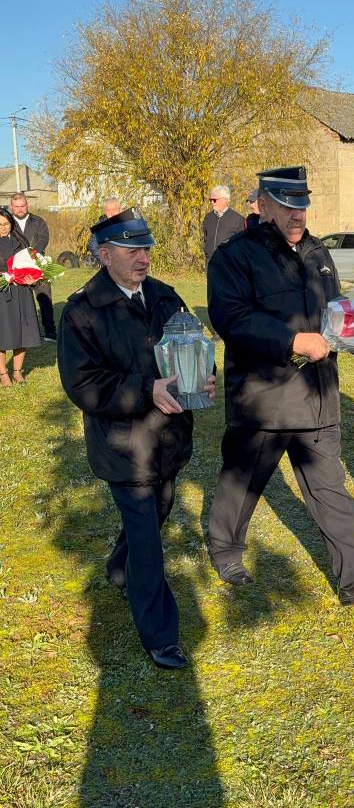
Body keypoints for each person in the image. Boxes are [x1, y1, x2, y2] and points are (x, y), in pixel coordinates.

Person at [207, 166, 354, 606]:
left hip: (317, 396)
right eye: (287, 207)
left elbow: (341, 318)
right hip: (264, 400)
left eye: (303, 206)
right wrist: (292, 340)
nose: (298, 215)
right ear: (263, 206)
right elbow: (230, 318)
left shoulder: (318, 253)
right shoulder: (234, 256)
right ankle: (225, 550)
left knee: (330, 488)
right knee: (242, 483)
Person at [57, 208, 215, 669]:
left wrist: (203, 376)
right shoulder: (83, 311)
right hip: (124, 444)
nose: (143, 258)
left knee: (159, 511)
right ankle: (160, 635)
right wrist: (147, 390)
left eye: (146, 249)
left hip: (169, 438)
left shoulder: (165, 296)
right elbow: (82, 384)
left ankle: (117, 567)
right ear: (105, 255)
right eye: (131, 251)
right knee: (147, 538)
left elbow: (194, 347)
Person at [0, 207, 42, 385]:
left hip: (22, 292)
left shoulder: (21, 241)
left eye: (6, 224)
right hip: (2, 294)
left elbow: (34, 264)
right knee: (2, 333)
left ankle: (17, 371)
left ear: (11, 223)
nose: (3, 227)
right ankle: (3, 374)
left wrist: (34, 279)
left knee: (23, 332)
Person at [9, 193, 57, 341]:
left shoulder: (38, 221)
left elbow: (44, 238)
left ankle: (50, 331)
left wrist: (32, 255)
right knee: (20, 302)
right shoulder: (8, 224)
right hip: (17, 268)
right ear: (11, 207)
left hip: (39, 266)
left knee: (44, 298)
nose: (20, 209)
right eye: (16, 206)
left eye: (23, 206)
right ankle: (23, 332)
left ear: (27, 205)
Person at [202, 186, 245, 263]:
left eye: (214, 200)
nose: (212, 202)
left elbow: (243, 245)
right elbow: (205, 239)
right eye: (210, 200)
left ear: (225, 200)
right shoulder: (208, 218)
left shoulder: (238, 219)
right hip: (210, 263)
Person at [87, 197, 122, 266]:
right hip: (109, 265)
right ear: (105, 211)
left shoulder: (128, 223)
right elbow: (92, 246)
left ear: (120, 209)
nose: (112, 213)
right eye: (109, 210)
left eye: (114, 209)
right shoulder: (99, 226)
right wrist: (105, 261)